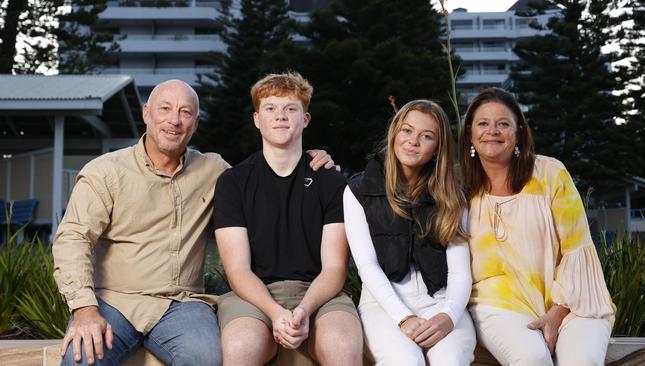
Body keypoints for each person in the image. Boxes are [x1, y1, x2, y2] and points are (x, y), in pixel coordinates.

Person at [53, 79, 335, 366]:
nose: (174, 120)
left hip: (182, 305)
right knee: (80, 359)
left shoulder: (214, 171)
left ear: (195, 123)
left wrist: (315, 162)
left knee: (206, 357)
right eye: (165, 109)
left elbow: (265, 177)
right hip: (114, 302)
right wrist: (84, 310)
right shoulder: (106, 172)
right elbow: (72, 239)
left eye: (185, 112)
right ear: (146, 113)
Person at [213, 72, 364, 366]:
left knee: (344, 346)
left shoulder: (330, 181)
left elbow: (334, 267)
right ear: (257, 119)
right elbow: (238, 269)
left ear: (305, 119)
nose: (280, 116)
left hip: (319, 293)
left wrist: (304, 310)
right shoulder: (233, 182)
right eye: (270, 108)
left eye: (290, 108)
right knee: (241, 346)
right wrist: (275, 313)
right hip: (253, 295)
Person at [460, 87, 615, 366]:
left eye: (503, 123)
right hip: (498, 303)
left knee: (581, 362)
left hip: (575, 302)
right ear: (470, 132)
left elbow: (575, 251)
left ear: (518, 132)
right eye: (483, 123)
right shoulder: (459, 189)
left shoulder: (550, 174)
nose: (492, 131)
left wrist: (557, 312)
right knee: (531, 358)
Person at [344, 100, 476, 365]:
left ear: (437, 149)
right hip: (384, 303)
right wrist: (403, 317)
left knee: (450, 361)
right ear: (395, 133)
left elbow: (461, 271)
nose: (413, 141)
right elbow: (367, 265)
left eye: (426, 136)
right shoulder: (359, 190)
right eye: (407, 130)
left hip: (442, 300)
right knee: (404, 362)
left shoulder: (451, 195)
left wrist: (448, 316)